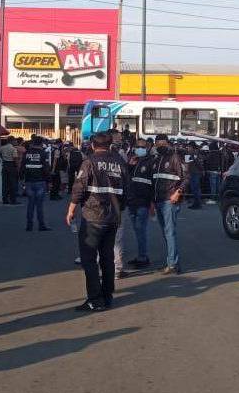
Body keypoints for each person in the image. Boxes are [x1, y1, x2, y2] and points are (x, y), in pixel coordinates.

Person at [66, 132, 130, 312]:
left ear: (93, 146)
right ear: (110, 145)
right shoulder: (120, 163)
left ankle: (95, 299)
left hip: (93, 217)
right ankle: (107, 296)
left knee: (89, 259)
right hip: (113, 218)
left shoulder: (89, 162)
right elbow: (127, 190)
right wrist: (119, 209)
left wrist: (71, 209)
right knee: (107, 258)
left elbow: (79, 188)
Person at [152, 134, 189, 275]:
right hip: (159, 200)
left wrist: (178, 192)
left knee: (169, 232)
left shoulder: (175, 157)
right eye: (157, 144)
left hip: (170, 200)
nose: (159, 146)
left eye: (162, 143)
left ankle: (172, 263)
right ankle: (172, 261)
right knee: (166, 233)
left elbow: (186, 178)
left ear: (168, 143)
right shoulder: (157, 160)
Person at [127, 138, 154, 268]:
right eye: (138, 146)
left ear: (147, 148)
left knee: (140, 230)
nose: (140, 149)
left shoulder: (150, 162)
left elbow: (153, 184)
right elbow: (126, 177)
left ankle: (143, 257)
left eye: (142, 147)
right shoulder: (133, 160)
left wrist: (152, 203)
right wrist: (130, 165)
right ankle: (140, 255)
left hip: (143, 201)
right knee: (137, 230)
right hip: (132, 201)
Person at [21, 136, 51, 231]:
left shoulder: (26, 153)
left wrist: (22, 180)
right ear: (41, 143)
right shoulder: (43, 154)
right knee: (39, 205)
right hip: (40, 181)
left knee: (30, 204)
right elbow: (46, 169)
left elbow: (22, 167)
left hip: (29, 181)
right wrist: (49, 181)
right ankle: (41, 225)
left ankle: (29, 225)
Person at [0, 136, 19, 205]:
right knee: (12, 183)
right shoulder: (13, 149)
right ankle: (13, 200)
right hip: (12, 165)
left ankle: (4, 199)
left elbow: (0, 155)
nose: (16, 142)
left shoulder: (2, 148)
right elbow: (15, 159)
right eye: (15, 141)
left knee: (4, 183)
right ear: (12, 141)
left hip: (5, 165)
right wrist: (17, 167)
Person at [187, 141, 203, 209]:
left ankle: (197, 204)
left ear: (192, 147)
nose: (188, 148)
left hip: (196, 173)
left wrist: (193, 158)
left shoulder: (196, 153)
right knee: (194, 189)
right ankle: (196, 203)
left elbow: (199, 164)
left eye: (189, 147)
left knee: (196, 189)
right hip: (192, 173)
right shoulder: (190, 154)